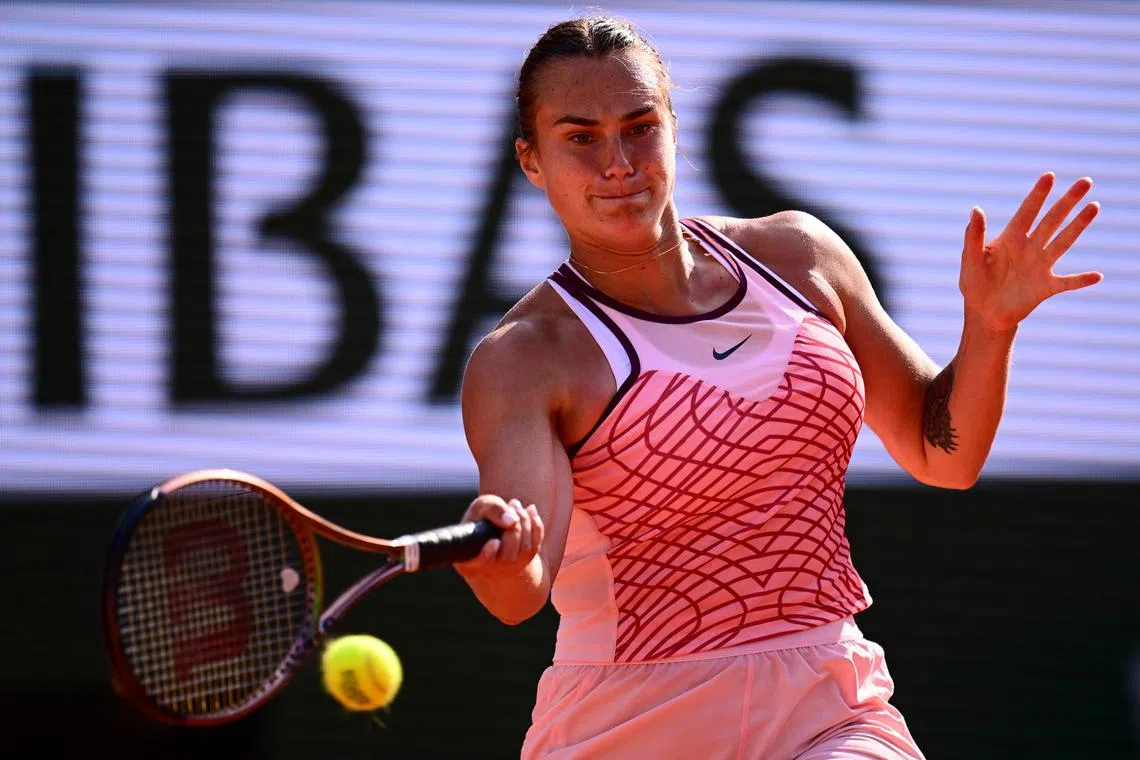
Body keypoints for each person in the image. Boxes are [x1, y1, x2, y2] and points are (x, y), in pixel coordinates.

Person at [454, 15, 1101, 760]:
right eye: (581, 138)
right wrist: (500, 558)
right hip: (627, 728)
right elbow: (521, 593)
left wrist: (989, 327)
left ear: (673, 128)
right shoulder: (524, 358)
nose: (619, 163)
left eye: (640, 127)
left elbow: (943, 455)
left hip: (829, 707)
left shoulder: (801, 256)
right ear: (531, 161)